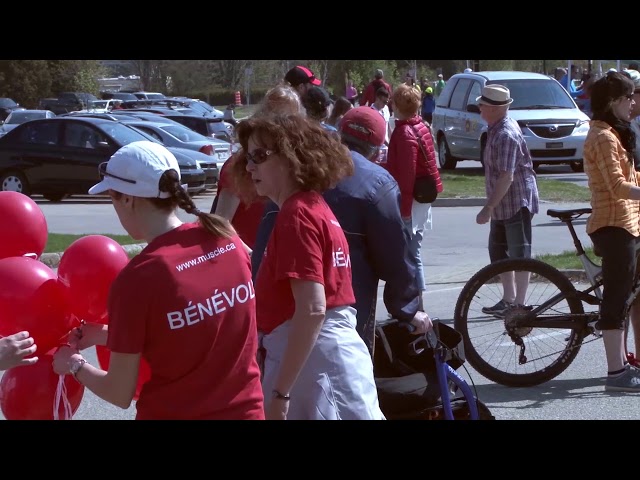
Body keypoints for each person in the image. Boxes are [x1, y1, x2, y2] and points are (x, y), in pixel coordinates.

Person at [52, 141, 264, 419]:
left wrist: (74, 364)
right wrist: (106, 335)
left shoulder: (139, 277)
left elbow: (118, 392)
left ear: (128, 199)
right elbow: (198, 329)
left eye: (112, 198)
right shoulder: (227, 238)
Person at [231, 113, 384, 420]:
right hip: (323, 360)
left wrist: (281, 392)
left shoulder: (296, 215)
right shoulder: (311, 205)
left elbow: (313, 308)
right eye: (248, 158)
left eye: (259, 156)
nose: (249, 167)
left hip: (316, 367)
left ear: (292, 157)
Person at [246, 106, 433, 353]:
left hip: (276, 324)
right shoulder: (376, 184)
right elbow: (396, 258)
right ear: (376, 150)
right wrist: (407, 310)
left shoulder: (295, 174)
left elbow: (263, 254)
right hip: (341, 325)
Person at [583, 71, 640, 391]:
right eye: (627, 98)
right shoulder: (603, 137)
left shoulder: (615, 132)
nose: (632, 103)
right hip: (613, 225)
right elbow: (617, 187)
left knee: (624, 297)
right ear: (612, 102)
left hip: (628, 223)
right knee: (616, 301)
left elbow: (632, 177)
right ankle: (615, 374)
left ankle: (624, 365)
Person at [212, 84, 304, 253]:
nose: (282, 128)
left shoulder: (293, 163)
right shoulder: (241, 165)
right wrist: (254, 257)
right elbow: (220, 224)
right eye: (276, 119)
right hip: (248, 264)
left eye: (290, 120)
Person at [474, 84, 539, 316]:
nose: (479, 107)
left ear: (493, 108)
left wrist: (488, 207)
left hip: (515, 200)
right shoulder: (494, 128)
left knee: (519, 254)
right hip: (502, 202)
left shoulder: (506, 133)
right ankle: (508, 299)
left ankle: (519, 305)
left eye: (482, 105)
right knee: (499, 252)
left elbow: (507, 175)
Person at [385, 84, 442, 312]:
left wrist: (404, 208)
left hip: (412, 200)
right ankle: (416, 305)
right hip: (421, 198)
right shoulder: (421, 127)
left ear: (398, 105)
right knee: (412, 252)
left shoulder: (404, 132)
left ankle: (417, 307)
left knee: (411, 254)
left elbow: (407, 175)